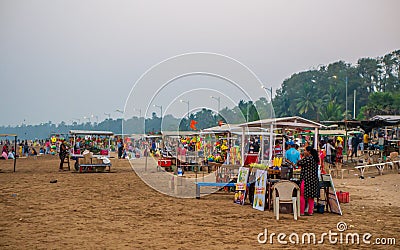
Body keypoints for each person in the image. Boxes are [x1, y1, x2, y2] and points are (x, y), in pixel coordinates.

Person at [297, 146, 320, 216]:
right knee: (311, 197)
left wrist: (303, 156)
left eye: (305, 150)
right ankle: (310, 211)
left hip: (306, 180)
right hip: (314, 180)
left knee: (302, 196)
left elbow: (299, 163)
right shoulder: (315, 159)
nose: (304, 152)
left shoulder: (307, 159)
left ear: (308, 152)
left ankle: (301, 211)